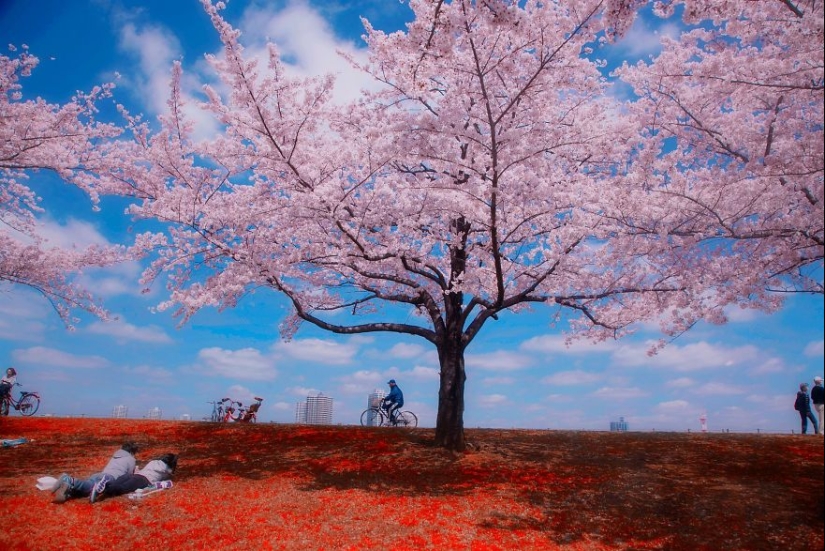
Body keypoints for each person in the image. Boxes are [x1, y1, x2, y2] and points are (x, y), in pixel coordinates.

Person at [52, 442, 140, 503]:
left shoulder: (116, 455)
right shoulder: (131, 459)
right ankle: (71, 481)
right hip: (110, 477)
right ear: (132, 451)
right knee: (97, 486)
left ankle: (70, 485)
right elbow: (129, 476)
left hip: (100, 474)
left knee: (87, 488)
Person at [93, 453, 177, 502]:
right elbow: (169, 478)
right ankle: (104, 488)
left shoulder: (154, 462)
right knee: (122, 488)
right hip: (143, 480)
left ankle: (104, 484)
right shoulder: (167, 470)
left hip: (135, 475)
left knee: (117, 482)